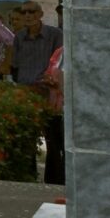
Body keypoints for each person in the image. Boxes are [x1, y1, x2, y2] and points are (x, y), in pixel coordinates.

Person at [11, 2, 63, 87]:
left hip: (47, 87)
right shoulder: (19, 36)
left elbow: (60, 63)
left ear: (41, 14)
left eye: (31, 12)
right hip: (23, 87)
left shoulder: (55, 35)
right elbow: (15, 63)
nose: (27, 15)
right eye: (24, 12)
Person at [40, 45, 65, 184]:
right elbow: (49, 72)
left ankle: (64, 180)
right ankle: (53, 182)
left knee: (65, 148)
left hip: (66, 107)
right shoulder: (60, 51)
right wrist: (48, 79)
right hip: (53, 106)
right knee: (53, 148)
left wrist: (59, 85)